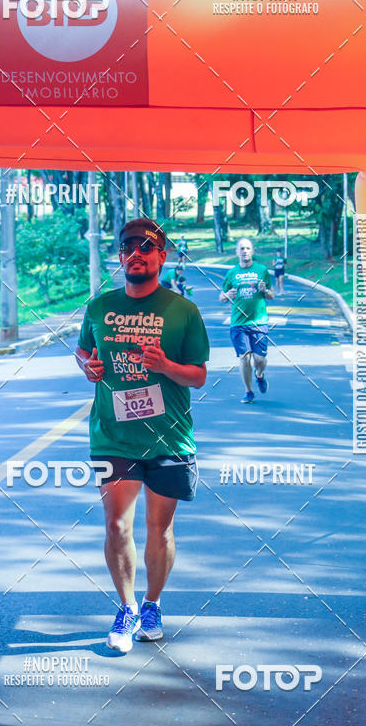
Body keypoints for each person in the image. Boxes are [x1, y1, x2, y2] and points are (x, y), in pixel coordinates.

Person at [75, 218, 210, 653]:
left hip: (169, 437)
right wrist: (86, 366)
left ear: (161, 256)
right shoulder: (99, 307)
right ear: (121, 256)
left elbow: (199, 376)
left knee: (160, 527)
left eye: (147, 247)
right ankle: (127, 607)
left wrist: (167, 367)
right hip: (114, 436)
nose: (137, 253)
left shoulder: (183, 310)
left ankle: (152, 603)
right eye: (129, 246)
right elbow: (83, 350)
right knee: (117, 524)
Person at [219, 237, 274, 403]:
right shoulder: (232, 273)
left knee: (259, 359)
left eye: (248, 248)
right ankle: (248, 391)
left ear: (252, 251)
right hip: (238, 322)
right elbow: (221, 297)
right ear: (237, 252)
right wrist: (227, 295)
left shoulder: (262, 270)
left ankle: (260, 374)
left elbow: (271, 295)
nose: (245, 251)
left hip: (259, 321)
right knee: (244, 357)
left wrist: (265, 291)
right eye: (242, 248)